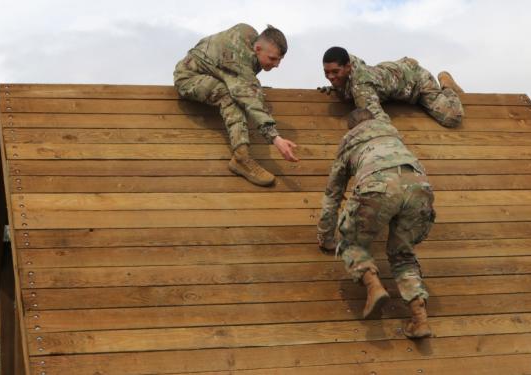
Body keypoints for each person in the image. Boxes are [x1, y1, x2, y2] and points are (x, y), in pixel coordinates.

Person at [317, 108, 435, 339]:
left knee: (351, 242)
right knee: (403, 255)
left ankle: (373, 286)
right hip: (420, 188)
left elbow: (333, 194)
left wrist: (326, 236)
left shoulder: (349, 144)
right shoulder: (393, 136)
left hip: (378, 185)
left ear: (352, 128)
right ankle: (419, 319)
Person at [174, 23, 298, 186]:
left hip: (211, 73)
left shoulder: (249, 39)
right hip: (189, 77)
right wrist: (276, 138)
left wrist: (253, 88)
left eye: (279, 60)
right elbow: (248, 95)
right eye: (273, 59)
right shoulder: (237, 57)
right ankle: (241, 157)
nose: (276, 65)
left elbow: (243, 78)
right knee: (230, 97)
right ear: (258, 48)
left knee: (242, 91)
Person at [319, 46, 464, 128]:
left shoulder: (362, 87)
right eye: (327, 73)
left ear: (348, 67)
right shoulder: (349, 62)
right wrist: (337, 87)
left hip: (416, 81)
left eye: (335, 72)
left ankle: (446, 83)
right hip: (394, 71)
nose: (331, 77)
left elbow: (380, 122)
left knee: (452, 118)